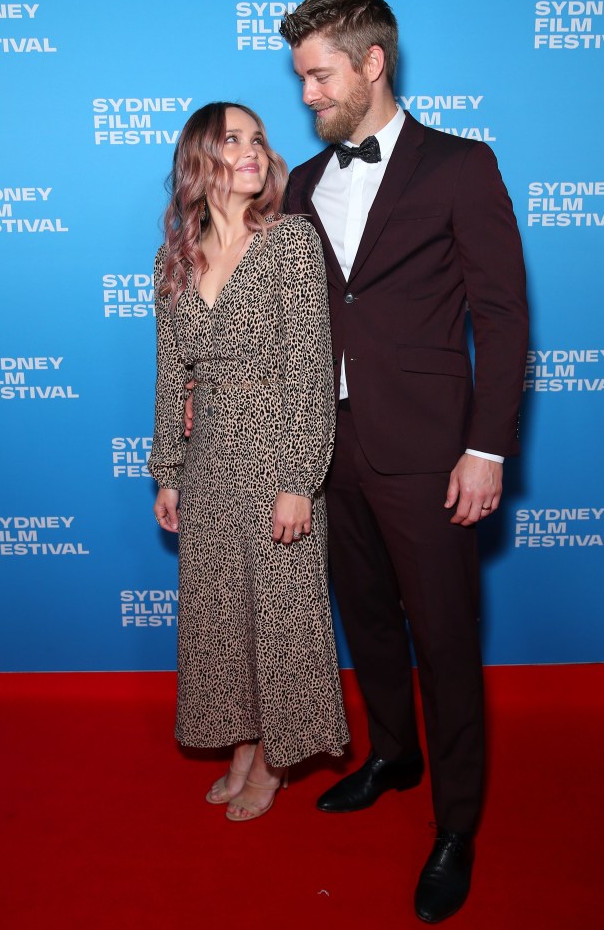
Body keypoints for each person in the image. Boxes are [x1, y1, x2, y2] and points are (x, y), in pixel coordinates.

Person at [278, 0, 529, 923]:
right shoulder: (302, 185)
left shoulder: (462, 166)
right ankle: (393, 752)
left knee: (447, 641)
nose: (306, 94)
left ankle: (457, 823)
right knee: (369, 619)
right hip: (328, 448)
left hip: (430, 453)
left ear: (371, 63)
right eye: (301, 75)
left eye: (319, 74)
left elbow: (503, 319)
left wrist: (486, 449)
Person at [149, 101, 349, 823]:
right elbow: (173, 373)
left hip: (276, 451)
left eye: (258, 138)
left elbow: (311, 369)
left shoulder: (291, 242)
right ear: (199, 160)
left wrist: (301, 480)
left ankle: (274, 760)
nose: (253, 149)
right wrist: (168, 469)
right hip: (207, 464)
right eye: (233, 139)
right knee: (219, 617)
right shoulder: (174, 260)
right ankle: (239, 743)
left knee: (282, 616)